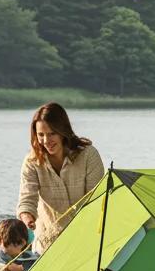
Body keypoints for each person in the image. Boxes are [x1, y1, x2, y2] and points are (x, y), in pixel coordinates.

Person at [17, 102, 104, 254]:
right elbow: (27, 198)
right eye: (41, 135)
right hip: (47, 243)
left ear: (63, 131)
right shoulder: (31, 162)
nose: (46, 140)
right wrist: (27, 217)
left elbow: (97, 199)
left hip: (85, 240)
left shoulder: (89, 155)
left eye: (52, 134)